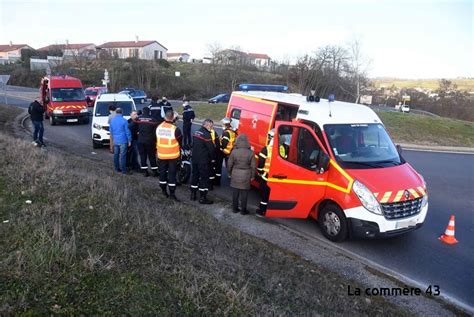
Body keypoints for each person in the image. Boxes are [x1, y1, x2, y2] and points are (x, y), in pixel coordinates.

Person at [156, 110, 183, 201]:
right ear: (173, 118)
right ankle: (172, 194)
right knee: (172, 175)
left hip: (161, 155)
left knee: (162, 174)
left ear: (165, 117)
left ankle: (163, 191)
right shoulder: (175, 129)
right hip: (173, 156)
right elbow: (180, 142)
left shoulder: (159, 127)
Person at [227, 134, 256, 215]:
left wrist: (229, 173)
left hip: (235, 173)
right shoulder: (251, 153)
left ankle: (234, 209)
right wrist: (253, 176)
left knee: (235, 193)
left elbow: (229, 164)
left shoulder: (234, 152)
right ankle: (243, 211)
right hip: (246, 175)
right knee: (244, 194)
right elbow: (253, 166)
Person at [190, 119, 215, 204]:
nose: (212, 128)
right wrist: (212, 158)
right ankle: (203, 197)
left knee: (195, 176)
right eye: (211, 126)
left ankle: (193, 195)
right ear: (206, 125)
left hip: (195, 158)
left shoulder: (196, 132)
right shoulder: (207, 135)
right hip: (203, 160)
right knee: (204, 178)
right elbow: (211, 149)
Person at [131, 107, 159, 177]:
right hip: (150, 141)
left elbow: (130, 126)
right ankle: (155, 171)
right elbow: (158, 129)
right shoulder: (153, 119)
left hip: (140, 141)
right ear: (149, 112)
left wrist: (137, 131)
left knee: (143, 156)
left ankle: (145, 172)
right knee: (152, 156)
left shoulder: (138, 119)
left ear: (143, 112)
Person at [255, 129, 275, 217]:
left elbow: (261, 162)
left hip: (266, 175)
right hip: (277, 175)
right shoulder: (282, 148)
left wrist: (259, 171)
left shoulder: (266, 149)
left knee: (264, 193)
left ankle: (262, 210)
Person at [109, 108, 132, 175]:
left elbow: (111, 132)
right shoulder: (124, 121)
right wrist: (129, 140)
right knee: (123, 155)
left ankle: (116, 168)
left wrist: (112, 141)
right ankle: (124, 171)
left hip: (116, 140)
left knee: (116, 155)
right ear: (122, 112)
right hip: (123, 140)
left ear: (116, 113)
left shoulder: (112, 121)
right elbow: (127, 131)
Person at [208, 124, 220, 190]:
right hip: (212, 154)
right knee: (211, 170)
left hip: (205, 154)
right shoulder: (214, 133)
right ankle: (210, 186)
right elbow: (217, 145)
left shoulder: (201, 132)